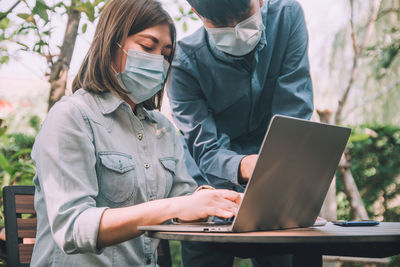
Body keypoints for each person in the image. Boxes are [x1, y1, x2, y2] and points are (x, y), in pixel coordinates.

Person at [30, 0, 241, 266]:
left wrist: (219, 201)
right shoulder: (71, 118)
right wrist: (176, 207)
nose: (158, 61)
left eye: (165, 53)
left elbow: (184, 204)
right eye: (147, 46)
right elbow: (73, 228)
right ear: (111, 42)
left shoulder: (162, 128)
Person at [167, 0, 314, 266]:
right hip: (208, 185)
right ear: (197, 13)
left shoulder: (287, 17)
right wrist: (246, 164)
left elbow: (294, 112)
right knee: (205, 255)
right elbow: (205, 149)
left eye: (243, 15)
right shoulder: (182, 64)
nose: (236, 29)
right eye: (221, 23)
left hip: (274, 179)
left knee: (289, 255)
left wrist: (276, 167)